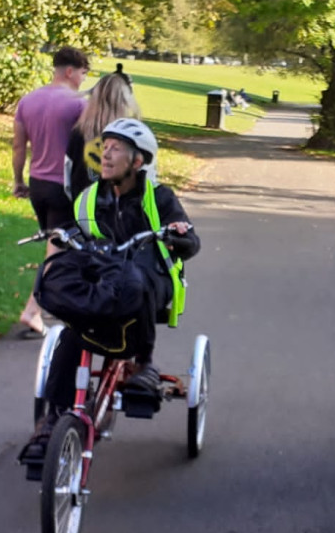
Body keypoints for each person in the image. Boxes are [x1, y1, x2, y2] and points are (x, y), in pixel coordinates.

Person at [20, 118, 201, 472]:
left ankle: (144, 362)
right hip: (106, 286)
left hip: (151, 285)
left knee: (138, 278)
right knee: (71, 336)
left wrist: (178, 236)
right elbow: (73, 231)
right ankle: (53, 420)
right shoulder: (89, 198)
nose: (105, 154)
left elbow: (191, 242)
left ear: (138, 161)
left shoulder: (159, 198)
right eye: (105, 147)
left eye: (116, 149)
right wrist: (63, 237)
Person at [12, 46, 89, 336]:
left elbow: (18, 146)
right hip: (65, 187)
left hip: (38, 185)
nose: (83, 80)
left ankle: (61, 304)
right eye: (82, 73)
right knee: (58, 249)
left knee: (61, 247)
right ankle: (33, 310)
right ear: (69, 71)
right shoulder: (79, 104)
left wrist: (18, 180)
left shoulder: (28, 101)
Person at [66, 71, 139, 199]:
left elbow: (67, 176)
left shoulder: (78, 133)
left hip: (82, 204)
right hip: (119, 205)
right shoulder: (132, 136)